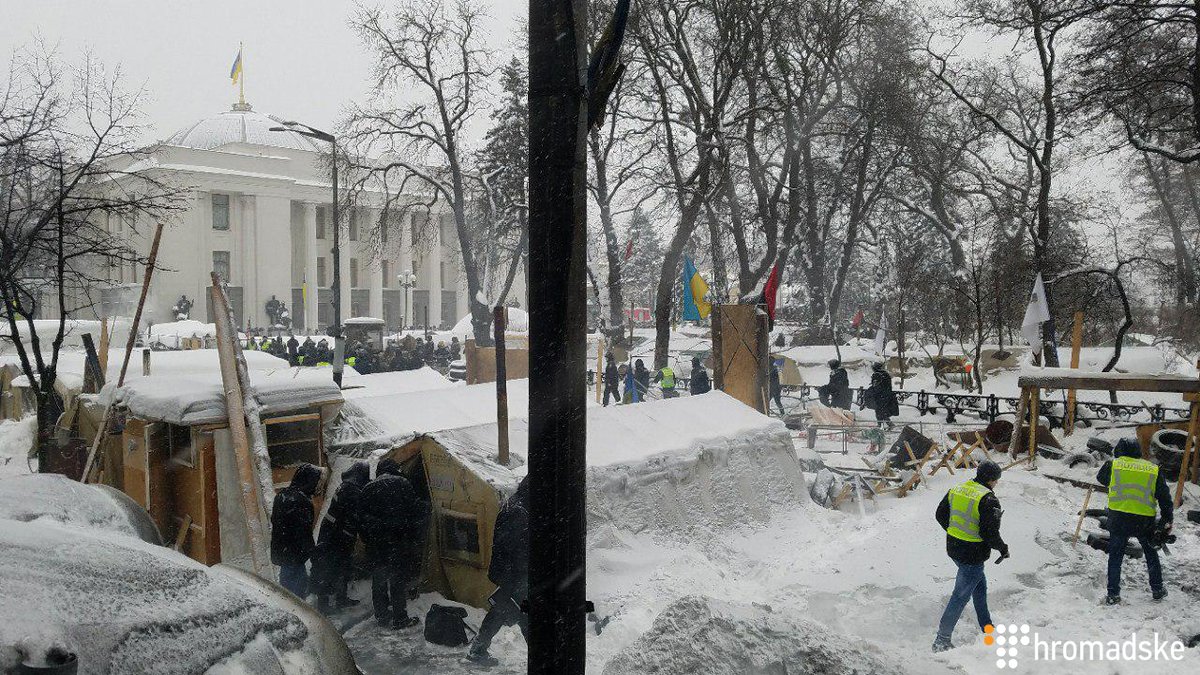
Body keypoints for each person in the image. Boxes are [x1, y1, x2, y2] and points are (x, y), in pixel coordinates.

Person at [932, 461, 1008, 652]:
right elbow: (989, 534)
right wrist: (1003, 548)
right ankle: (941, 640)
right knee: (960, 597)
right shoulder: (989, 500)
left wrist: (954, 532)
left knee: (979, 586)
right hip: (972, 554)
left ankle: (987, 627)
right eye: (996, 480)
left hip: (954, 548)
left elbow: (940, 514)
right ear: (991, 480)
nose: (996, 483)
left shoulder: (958, 488)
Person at [1096, 438, 1173, 604]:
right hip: (1144, 521)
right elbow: (1165, 498)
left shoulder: (1113, 465)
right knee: (1151, 554)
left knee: (1115, 557)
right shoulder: (1153, 469)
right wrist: (1167, 519)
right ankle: (1158, 590)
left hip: (1119, 519)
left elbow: (1101, 479)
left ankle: (1113, 595)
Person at [358, 459, 430, 629]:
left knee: (379, 580)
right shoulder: (402, 483)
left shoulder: (367, 489)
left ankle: (382, 616)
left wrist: (368, 539)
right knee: (398, 580)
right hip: (397, 542)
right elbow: (414, 510)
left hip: (376, 545)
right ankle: (400, 618)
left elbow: (360, 520)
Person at [468, 476, 530, 665]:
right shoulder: (518, 510)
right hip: (514, 573)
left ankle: (478, 649)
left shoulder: (519, 505)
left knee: (507, 611)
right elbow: (514, 546)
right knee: (519, 613)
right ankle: (477, 650)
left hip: (512, 572)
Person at [311, 461, 370, 613]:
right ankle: (325, 604)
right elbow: (355, 516)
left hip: (334, 533)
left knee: (339, 567)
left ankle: (339, 598)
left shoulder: (347, 485)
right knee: (331, 567)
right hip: (337, 536)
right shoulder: (352, 490)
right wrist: (366, 535)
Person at [270, 463, 324, 599]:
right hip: (295, 553)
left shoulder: (282, 495)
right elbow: (303, 531)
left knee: (287, 586)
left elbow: (275, 521)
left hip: (282, 549)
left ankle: (289, 607)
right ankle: (296, 613)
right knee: (296, 593)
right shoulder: (301, 500)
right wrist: (312, 551)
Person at [862, 362, 898, 428]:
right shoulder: (886, 374)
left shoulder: (877, 375)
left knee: (879, 411)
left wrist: (870, 392)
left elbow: (876, 387)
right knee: (883, 411)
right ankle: (888, 424)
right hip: (887, 396)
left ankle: (881, 425)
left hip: (879, 396)